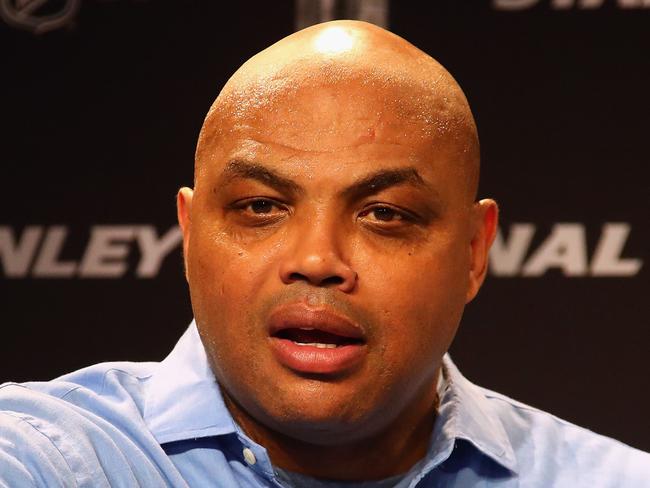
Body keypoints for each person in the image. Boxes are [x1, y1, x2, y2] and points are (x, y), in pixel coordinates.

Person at [0, 20, 648, 488]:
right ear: (190, 232)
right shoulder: (47, 458)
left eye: (385, 215)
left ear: (474, 252)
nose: (316, 259)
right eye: (261, 207)